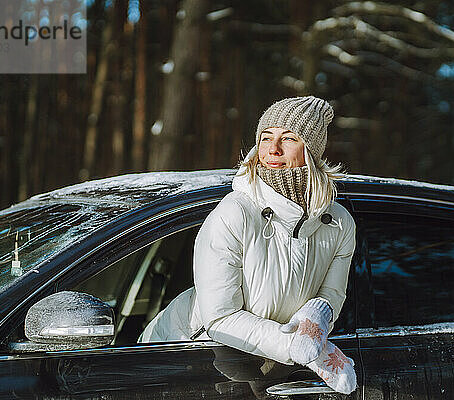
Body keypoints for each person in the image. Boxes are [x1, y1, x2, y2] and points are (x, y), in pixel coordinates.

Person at [139, 96, 357, 394]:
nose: (273, 149)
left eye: (288, 138)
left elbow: (331, 293)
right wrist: (299, 347)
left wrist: (316, 320)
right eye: (266, 137)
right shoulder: (235, 213)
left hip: (265, 366)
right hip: (187, 356)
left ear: (312, 149)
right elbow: (219, 317)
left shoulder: (339, 223)